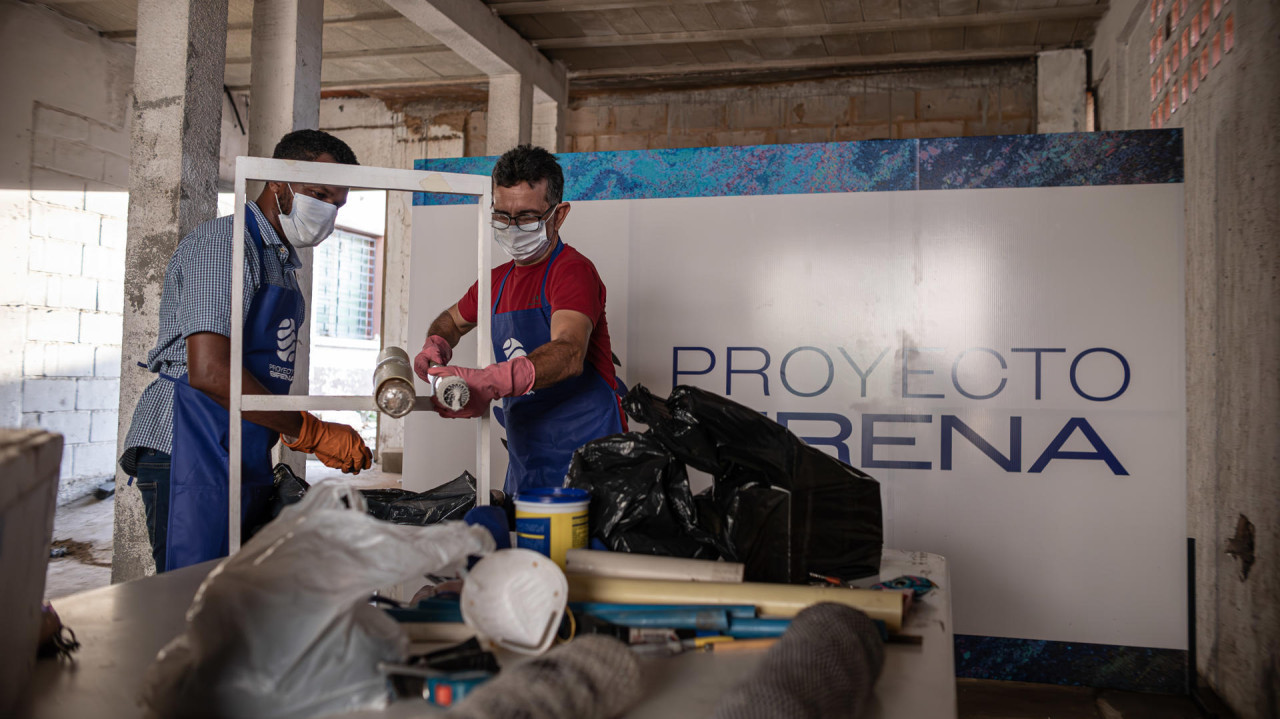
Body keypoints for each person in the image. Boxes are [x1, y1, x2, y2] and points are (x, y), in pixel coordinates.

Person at [120, 129, 373, 573]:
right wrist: (308, 431)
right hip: (189, 446)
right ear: (278, 181)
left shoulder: (281, 263)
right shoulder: (228, 245)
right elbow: (211, 372)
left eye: (338, 202)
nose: (328, 211)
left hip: (240, 445)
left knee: (230, 594)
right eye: (319, 194)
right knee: (189, 595)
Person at [414, 144, 625, 495]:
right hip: (528, 456)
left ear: (558, 215)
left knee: (584, 550)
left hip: (590, 460)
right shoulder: (495, 281)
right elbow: (450, 321)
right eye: (501, 216)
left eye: (527, 217)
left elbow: (570, 352)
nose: (512, 228)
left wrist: (491, 380)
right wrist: (435, 344)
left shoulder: (571, 271)